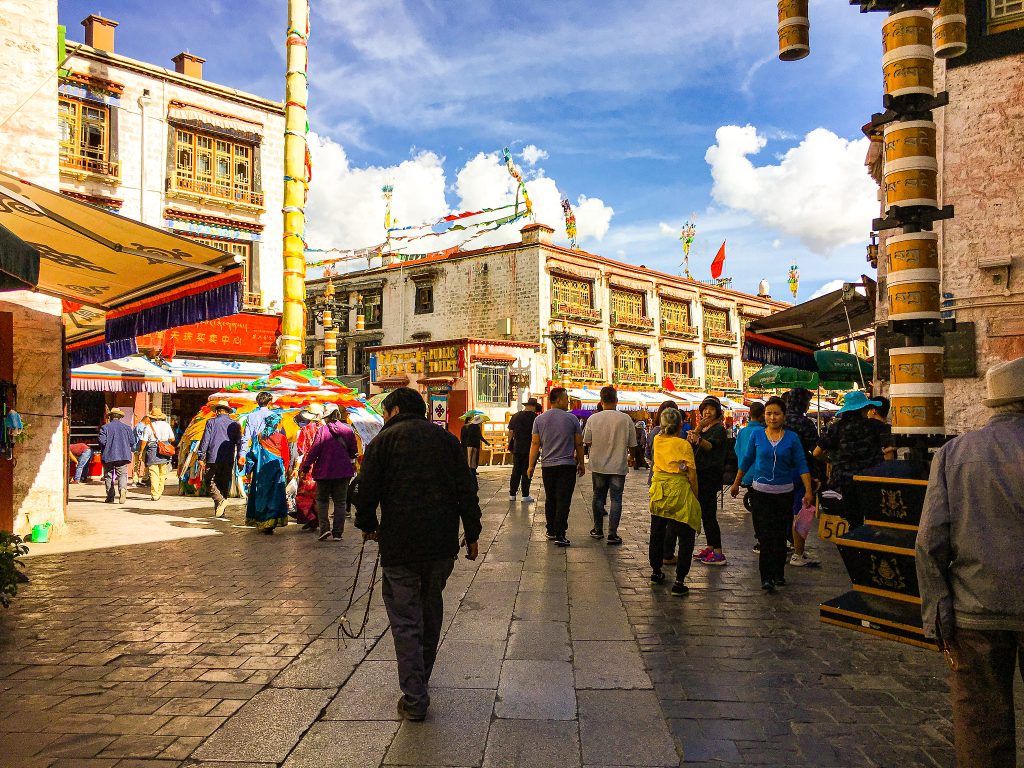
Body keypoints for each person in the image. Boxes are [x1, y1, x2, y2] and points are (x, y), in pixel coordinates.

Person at [917, 357, 1024, 768]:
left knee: (981, 728)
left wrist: (937, 613)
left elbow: (929, 542)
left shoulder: (954, 453)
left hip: (974, 612)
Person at [355, 387, 481, 722]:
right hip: (440, 546)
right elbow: (465, 488)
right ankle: (419, 680)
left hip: (400, 545)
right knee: (430, 612)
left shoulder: (383, 442)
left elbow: (365, 490)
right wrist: (472, 534)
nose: (383, 418)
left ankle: (414, 696)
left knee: (405, 620)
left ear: (394, 410)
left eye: (384, 412)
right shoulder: (446, 440)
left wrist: (367, 523)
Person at [730, 396, 812, 593]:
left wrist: (808, 490)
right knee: (765, 536)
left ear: (783, 416)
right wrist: (736, 482)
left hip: (784, 493)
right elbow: (747, 459)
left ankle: (778, 572)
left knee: (780, 535)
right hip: (760, 493)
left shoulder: (791, 438)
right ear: (763, 416)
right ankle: (766, 576)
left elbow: (801, 464)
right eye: (769, 414)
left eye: (776, 414)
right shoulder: (757, 436)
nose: (772, 417)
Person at [813, 391, 891, 529]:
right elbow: (893, 444)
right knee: (872, 518)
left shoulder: (835, 428)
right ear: (864, 409)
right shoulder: (874, 426)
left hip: (843, 482)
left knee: (852, 519)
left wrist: (831, 460)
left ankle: (853, 545)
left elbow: (816, 452)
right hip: (870, 479)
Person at [648, 407, 702, 596]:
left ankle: (656, 572)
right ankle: (679, 581)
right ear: (680, 425)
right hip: (679, 491)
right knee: (685, 536)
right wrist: (695, 496)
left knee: (657, 533)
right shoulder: (684, 445)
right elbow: (692, 474)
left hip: (659, 491)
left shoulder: (657, 440)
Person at [528, 387, 585, 547]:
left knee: (550, 498)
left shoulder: (539, 420)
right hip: (567, 465)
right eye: (566, 398)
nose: (568, 401)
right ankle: (560, 533)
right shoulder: (572, 419)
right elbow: (579, 443)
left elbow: (535, 443)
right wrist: (581, 462)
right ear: (558, 399)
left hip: (548, 466)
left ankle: (551, 530)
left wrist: (530, 465)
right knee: (563, 499)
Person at [582, 386, 637, 545]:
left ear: (601, 401)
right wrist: (631, 457)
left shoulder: (593, 418)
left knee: (598, 497)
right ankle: (612, 534)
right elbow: (632, 444)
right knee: (616, 499)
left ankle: (598, 530)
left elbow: (587, 440)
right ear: (617, 401)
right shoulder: (625, 419)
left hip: (598, 465)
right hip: (618, 466)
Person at [300, 403, 358, 541]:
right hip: (343, 472)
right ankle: (337, 533)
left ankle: (324, 529)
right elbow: (353, 451)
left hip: (324, 471)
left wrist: (305, 467)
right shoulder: (348, 430)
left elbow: (314, 451)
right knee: (340, 502)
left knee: (322, 500)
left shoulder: (322, 431)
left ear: (326, 416)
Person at [689, 396, 729, 565]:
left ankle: (718, 552)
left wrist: (697, 435)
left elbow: (710, 446)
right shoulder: (704, 428)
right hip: (701, 475)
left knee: (710, 514)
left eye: (711, 409)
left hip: (710, 475)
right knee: (705, 513)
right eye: (705, 408)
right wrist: (698, 429)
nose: (707, 412)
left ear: (717, 412)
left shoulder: (719, 429)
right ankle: (710, 547)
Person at [783, 388, 820, 567]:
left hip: (778, 470)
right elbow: (816, 449)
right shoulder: (805, 423)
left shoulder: (780, 420)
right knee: (800, 511)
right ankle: (798, 553)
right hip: (800, 471)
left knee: (782, 512)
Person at [243, 412, 290, 534]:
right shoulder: (282, 438)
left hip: (261, 470)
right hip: (276, 471)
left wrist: (249, 470)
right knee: (275, 495)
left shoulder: (258, 437)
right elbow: (285, 456)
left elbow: (252, 454)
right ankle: (271, 521)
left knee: (262, 494)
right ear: (276, 424)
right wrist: (286, 469)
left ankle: (261, 520)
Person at [647, 399, 682, 562]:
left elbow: (647, 454)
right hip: (675, 481)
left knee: (658, 521)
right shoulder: (679, 435)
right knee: (672, 521)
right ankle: (667, 553)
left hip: (656, 479)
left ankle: (656, 559)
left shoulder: (654, 432)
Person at [197, 400, 242, 518]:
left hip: (213, 457)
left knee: (209, 480)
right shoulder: (235, 424)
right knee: (223, 482)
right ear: (228, 412)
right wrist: (239, 457)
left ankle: (220, 502)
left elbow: (206, 440)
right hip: (228, 457)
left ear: (217, 411)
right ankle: (221, 510)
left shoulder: (211, 422)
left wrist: (201, 456)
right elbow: (239, 442)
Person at [735, 401, 766, 553]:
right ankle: (763, 539)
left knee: (756, 508)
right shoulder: (764, 431)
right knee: (764, 510)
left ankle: (760, 538)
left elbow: (737, 450)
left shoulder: (742, 432)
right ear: (762, 415)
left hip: (745, 474)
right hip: (761, 475)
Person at [291, 403, 325, 530]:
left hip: (308, 466)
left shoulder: (305, 430)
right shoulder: (325, 428)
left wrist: (296, 467)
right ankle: (317, 519)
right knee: (319, 495)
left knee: (304, 494)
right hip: (322, 465)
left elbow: (301, 450)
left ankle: (310, 518)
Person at [97, 408, 137, 504]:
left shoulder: (105, 428)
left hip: (108, 455)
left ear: (110, 417)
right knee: (122, 474)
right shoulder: (127, 428)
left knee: (108, 476)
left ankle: (110, 497)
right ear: (120, 417)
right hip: (123, 455)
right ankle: (122, 490)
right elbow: (132, 442)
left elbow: (102, 441)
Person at [507, 398, 540, 501]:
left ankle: (512, 494)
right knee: (528, 471)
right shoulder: (536, 418)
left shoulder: (515, 416)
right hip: (530, 449)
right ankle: (525, 495)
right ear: (534, 406)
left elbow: (510, 432)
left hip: (517, 448)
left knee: (516, 471)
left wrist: (510, 445)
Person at [140, 407, 176, 502]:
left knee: (153, 473)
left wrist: (141, 452)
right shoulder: (166, 425)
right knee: (162, 472)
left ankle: (155, 494)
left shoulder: (148, 427)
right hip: (164, 450)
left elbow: (144, 441)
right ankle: (159, 492)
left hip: (152, 450)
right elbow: (172, 439)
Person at [239, 391, 275, 466]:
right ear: (269, 402)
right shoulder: (274, 416)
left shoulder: (251, 416)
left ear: (257, 402)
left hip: (255, 449)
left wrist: (242, 454)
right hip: (271, 450)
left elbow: (246, 437)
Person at [131, 414, 151, 487]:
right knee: (147, 464)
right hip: (141, 448)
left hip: (135, 448)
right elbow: (143, 439)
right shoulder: (143, 427)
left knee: (136, 464)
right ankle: (145, 479)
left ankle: (135, 480)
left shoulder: (136, 425)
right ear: (146, 421)